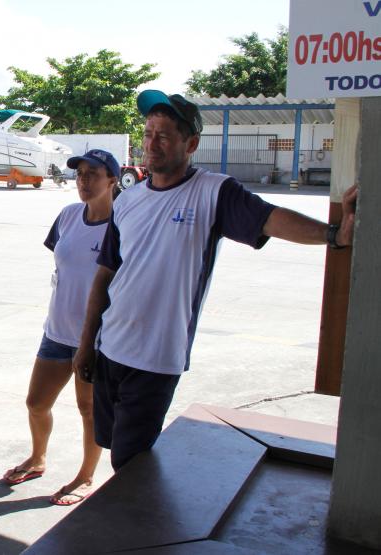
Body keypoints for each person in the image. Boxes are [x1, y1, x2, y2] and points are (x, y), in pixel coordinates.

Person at [72, 90, 359, 472]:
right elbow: (105, 275)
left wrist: (334, 236)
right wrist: (86, 344)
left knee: (130, 462)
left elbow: (271, 218)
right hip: (110, 348)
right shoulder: (128, 199)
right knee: (111, 445)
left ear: (190, 144)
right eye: (147, 133)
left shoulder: (213, 192)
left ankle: (140, 530)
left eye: (163, 135)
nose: (151, 143)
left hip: (156, 357)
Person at [2, 150, 119, 505]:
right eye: (80, 174)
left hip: (98, 339)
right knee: (36, 403)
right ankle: (38, 457)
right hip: (56, 330)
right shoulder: (68, 216)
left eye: (93, 174)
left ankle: (86, 476)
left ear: (113, 181)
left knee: (88, 409)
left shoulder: (124, 224)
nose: (83, 181)